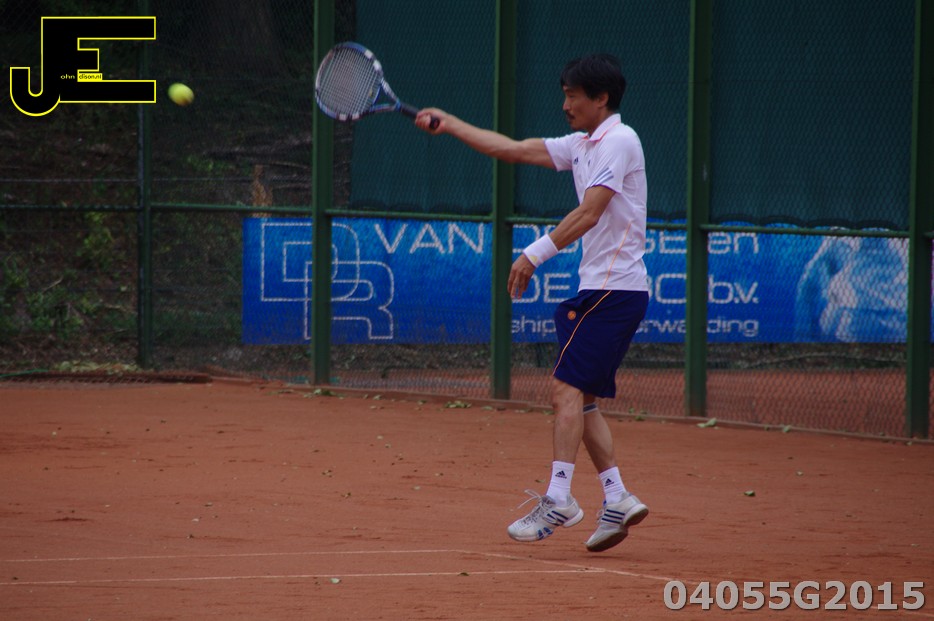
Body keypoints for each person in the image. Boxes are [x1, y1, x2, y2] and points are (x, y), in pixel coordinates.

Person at [415, 53, 649, 552]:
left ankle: (559, 499)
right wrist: (451, 123)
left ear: (601, 98)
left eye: (573, 95)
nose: (565, 104)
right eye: (564, 94)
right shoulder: (582, 145)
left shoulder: (620, 140)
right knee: (581, 398)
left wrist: (533, 254)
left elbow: (590, 212)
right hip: (605, 289)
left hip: (614, 290)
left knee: (563, 389)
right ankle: (617, 497)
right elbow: (515, 150)